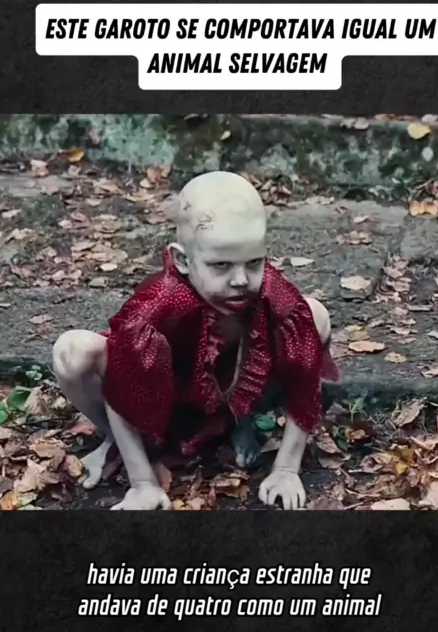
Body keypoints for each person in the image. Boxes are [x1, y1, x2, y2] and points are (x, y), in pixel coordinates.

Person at [52, 171, 338, 511]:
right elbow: (120, 385)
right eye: (220, 265)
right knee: (72, 350)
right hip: (163, 408)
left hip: (233, 397)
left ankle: (240, 424)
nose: (240, 280)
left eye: (254, 262)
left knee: (314, 315)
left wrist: (287, 470)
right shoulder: (161, 305)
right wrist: (142, 482)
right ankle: (123, 444)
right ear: (182, 260)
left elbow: (303, 371)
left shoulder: (271, 294)